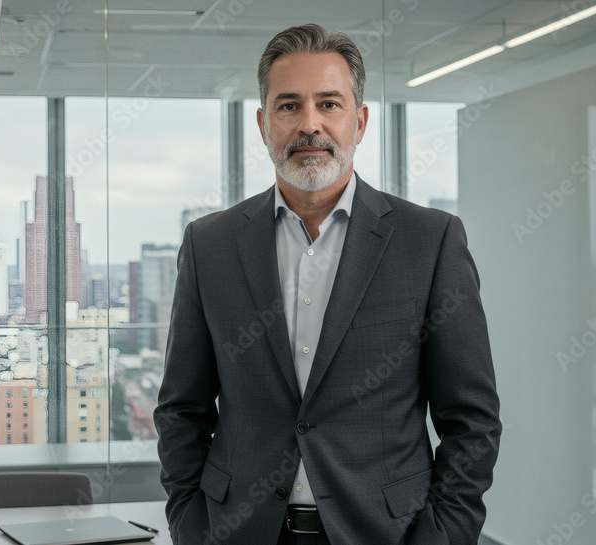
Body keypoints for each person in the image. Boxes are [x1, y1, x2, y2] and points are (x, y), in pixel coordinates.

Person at [154, 24, 501, 545]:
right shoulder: (210, 245)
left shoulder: (429, 241)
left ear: (359, 121)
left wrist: (443, 536)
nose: (309, 124)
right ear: (263, 123)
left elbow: (472, 419)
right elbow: (181, 409)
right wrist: (190, 524)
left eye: (329, 104)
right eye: (288, 105)